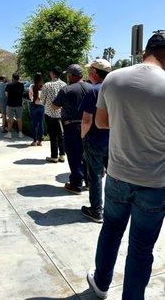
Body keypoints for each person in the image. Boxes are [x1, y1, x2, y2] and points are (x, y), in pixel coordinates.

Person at [87, 31, 165, 300]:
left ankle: (101, 283)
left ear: (145, 50)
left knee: (111, 230)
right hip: (155, 182)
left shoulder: (114, 78)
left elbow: (100, 122)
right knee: (141, 248)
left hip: (118, 174)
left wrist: (125, 123)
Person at [79, 59, 111, 223]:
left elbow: (86, 120)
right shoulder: (115, 90)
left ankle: (96, 210)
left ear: (94, 72)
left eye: (90, 70)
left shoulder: (93, 91)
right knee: (114, 175)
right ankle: (112, 209)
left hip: (95, 139)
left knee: (96, 175)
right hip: (113, 140)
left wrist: (82, 137)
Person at [53, 64, 91, 194]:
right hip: (89, 125)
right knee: (87, 154)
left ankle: (76, 185)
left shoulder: (67, 90)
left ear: (71, 75)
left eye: (68, 74)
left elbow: (54, 106)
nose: (67, 76)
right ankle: (90, 182)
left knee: (74, 155)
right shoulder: (91, 87)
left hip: (72, 126)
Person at [41, 66, 67, 162]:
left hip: (50, 114)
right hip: (61, 114)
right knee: (61, 134)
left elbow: (43, 100)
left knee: (53, 135)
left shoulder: (47, 85)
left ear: (53, 73)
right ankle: (62, 154)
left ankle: (54, 156)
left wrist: (44, 103)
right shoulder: (64, 84)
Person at [5, 73, 24, 139]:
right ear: (18, 78)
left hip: (10, 104)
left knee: (10, 119)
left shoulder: (9, 85)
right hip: (19, 104)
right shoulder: (21, 85)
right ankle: (20, 133)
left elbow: (6, 95)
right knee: (19, 119)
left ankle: (9, 133)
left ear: (12, 78)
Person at [29, 72, 45, 146]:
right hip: (41, 106)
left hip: (33, 105)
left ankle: (34, 141)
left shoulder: (32, 86)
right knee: (41, 123)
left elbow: (30, 97)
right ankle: (40, 141)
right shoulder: (43, 86)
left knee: (34, 123)